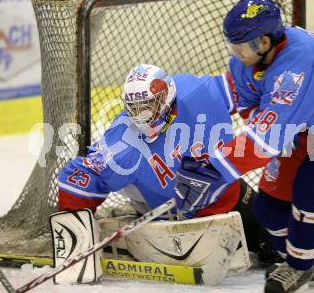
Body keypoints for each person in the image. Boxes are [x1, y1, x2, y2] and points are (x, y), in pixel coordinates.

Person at [174, 0, 314, 293]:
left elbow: (267, 137)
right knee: (268, 208)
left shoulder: (298, 64)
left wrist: (216, 169)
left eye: (240, 45)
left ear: (264, 42)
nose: (235, 52)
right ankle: (309, 255)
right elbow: (244, 103)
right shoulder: (247, 60)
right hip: (304, 122)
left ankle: (299, 265)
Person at [56, 63, 278, 264]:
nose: (142, 115)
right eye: (135, 107)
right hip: (178, 224)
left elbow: (243, 88)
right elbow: (81, 176)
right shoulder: (124, 143)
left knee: (277, 246)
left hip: (229, 196)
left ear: (167, 95)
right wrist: (74, 233)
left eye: (149, 105)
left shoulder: (197, 92)